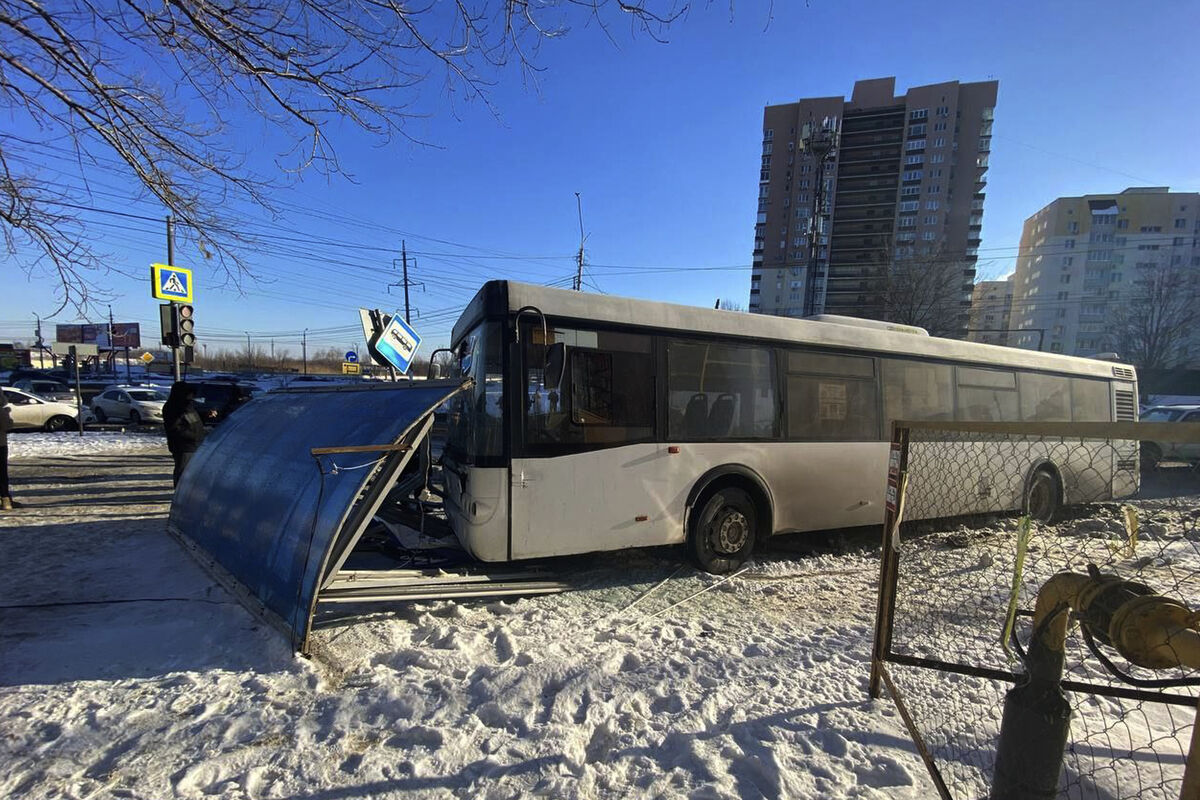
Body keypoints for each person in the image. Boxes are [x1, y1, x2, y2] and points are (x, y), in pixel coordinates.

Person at [162, 382, 212, 487]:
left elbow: (193, 420)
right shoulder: (172, 408)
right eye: (190, 394)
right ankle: (180, 494)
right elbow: (175, 429)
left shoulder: (187, 405)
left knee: (193, 472)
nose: (192, 397)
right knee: (183, 472)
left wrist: (206, 415)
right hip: (184, 447)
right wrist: (194, 436)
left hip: (195, 445)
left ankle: (190, 492)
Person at [0, 391, 13, 511]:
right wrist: (8, 416)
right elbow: (6, 426)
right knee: (2, 473)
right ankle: (5, 500)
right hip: (0, 444)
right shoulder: (1, 412)